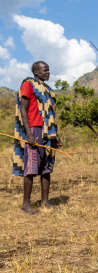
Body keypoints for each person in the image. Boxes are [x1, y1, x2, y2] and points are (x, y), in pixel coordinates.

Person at [13, 61, 62, 214]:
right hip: (34, 129)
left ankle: (45, 201)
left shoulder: (48, 89)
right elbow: (23, 109)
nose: (48, 73)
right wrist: (28, 133)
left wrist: (56, 135)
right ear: (36, 72)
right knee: (32, 166)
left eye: (48, 70)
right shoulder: (28, 84)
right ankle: (25, 205)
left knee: (46, 168)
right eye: (45, 70)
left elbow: (51, 115)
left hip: (48, 132)